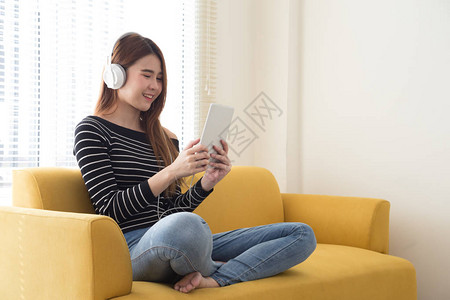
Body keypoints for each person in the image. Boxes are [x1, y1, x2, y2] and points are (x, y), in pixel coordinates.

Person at [73, 32, 316, 293]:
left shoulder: (165, 137)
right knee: (187, 228)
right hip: (131, 249)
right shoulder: (91, 130)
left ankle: (214, 278)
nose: (155, 86)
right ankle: (219, 265)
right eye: (147, 75)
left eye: (160, 78)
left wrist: (206, 184)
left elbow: (171, 211)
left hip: (176, 238)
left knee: (301, 234)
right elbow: (110, 210)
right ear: (116, 74)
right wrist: (171, 171)